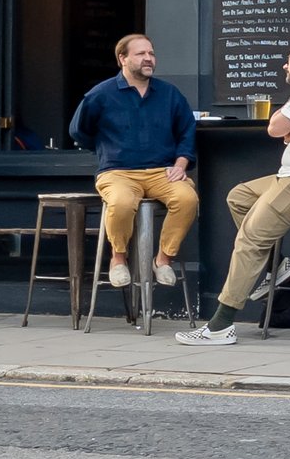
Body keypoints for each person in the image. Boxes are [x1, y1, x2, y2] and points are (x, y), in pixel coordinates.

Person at [174, 43, 290, 347]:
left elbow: (274, 128)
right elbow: (289, 131)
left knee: (250, 240)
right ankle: (278, 266)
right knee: (240, 196)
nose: (286, 66)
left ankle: (221, 324)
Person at [68, 33, 199, 291]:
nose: (149, 58)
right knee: (122, 202)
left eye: (151, 53)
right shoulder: (101, 94)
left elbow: (187, 131)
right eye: (141, 54)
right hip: (117, 171)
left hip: (162, 171)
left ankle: (163, 260)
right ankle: (118, 258)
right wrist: (106, 150)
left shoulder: (169, 94)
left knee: (187, 199)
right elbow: (78, 130)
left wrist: (181, 163)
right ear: (123, 59)